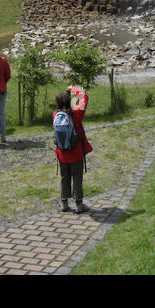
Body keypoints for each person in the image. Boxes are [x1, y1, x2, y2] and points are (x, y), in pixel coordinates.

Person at [54, 85, 93, 213]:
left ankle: (64, 203)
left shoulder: (55, 115)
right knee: (77, 177)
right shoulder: (77, 114)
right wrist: (73, 89)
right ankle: (79, 204)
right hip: (76, 153)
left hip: (62, 153)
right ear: (70, 102)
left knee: (64, 177)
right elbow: (84, 97)